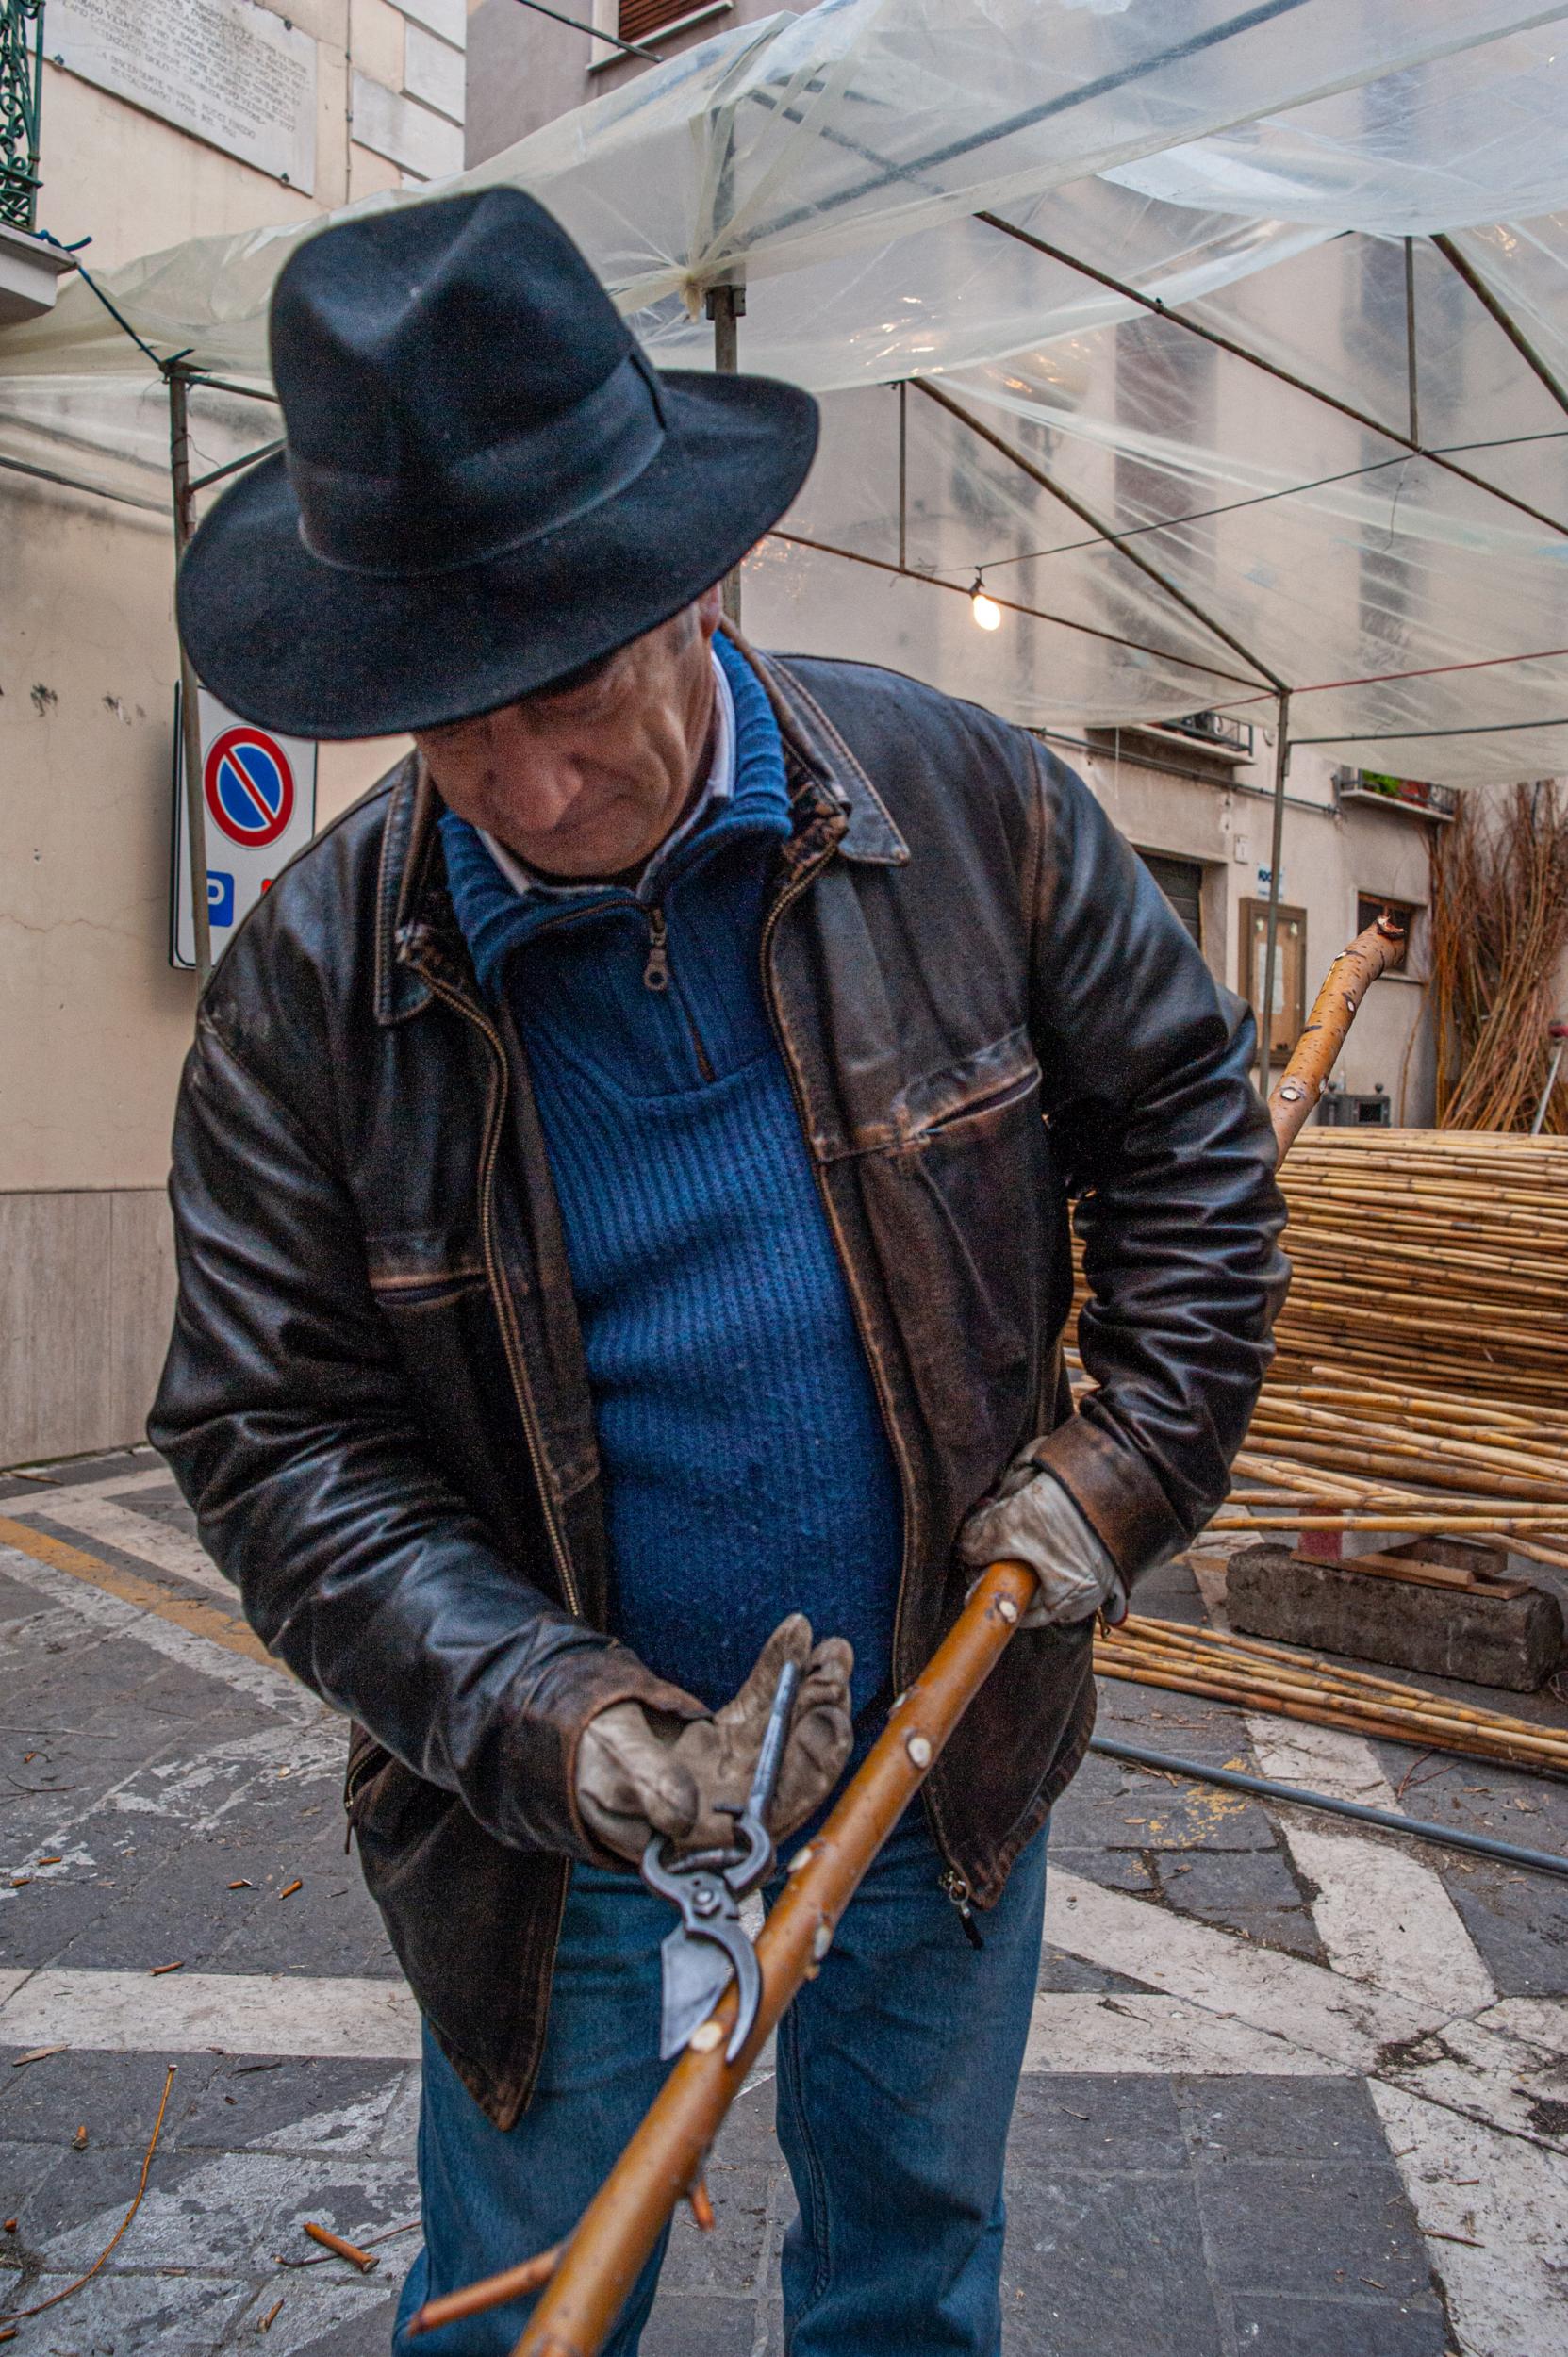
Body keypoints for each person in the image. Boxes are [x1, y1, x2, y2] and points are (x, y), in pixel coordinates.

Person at [153, 187, 1287, 2356]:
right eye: (450, 722)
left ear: (698, 580)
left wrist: (1117, 1473)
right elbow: (267, 1434)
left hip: (942, 1740)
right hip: (548, 1830)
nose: (527, 780)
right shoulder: (313, 980)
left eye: (568, 688)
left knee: (907, 2265)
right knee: (511, 2310)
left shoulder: (974, 806)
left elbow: (1192, 1152)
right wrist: (564, 1727)